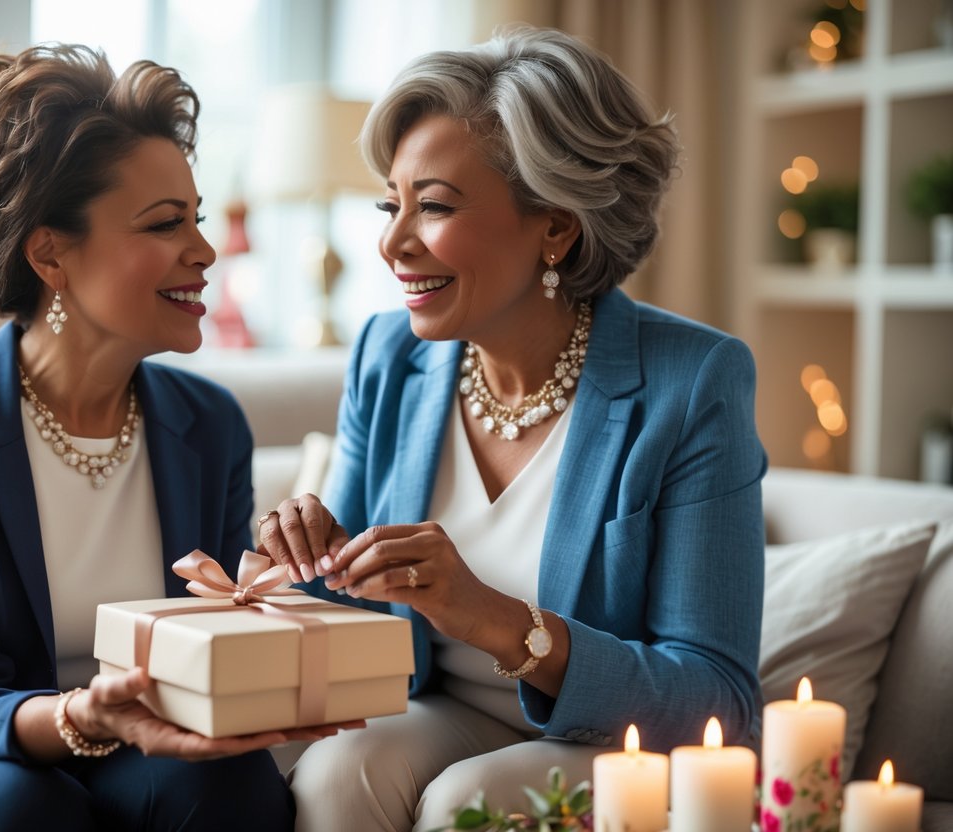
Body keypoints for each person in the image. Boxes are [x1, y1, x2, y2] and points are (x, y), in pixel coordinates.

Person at [0, 45, 344, 832]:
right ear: (49, 252)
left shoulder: (207, 423)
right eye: (164, 223)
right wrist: (85, 716)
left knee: (230, 785)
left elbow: (216, 645)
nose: (204, 250)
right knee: (19, 806)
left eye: (197, 218)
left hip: (133, 751)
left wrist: (304, 575)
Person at [255, 26, 768, 832]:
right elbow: (344, 613)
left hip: (614, 738)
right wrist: (307, 549)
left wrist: (498, 621)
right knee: (339, 771)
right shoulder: (387, 355)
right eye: (391, 205)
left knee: (469, 804)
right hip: (439, 706)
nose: (392, 244)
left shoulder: (691, 381)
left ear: (556, 226)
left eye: (432, 207)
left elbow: (718, 696)